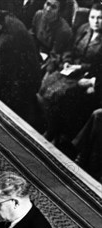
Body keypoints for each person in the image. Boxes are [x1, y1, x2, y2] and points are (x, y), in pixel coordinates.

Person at [39, 2, 102, 144]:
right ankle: (50, 126)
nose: (95, 21)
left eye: (100, 18)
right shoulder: (83, 29)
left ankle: (57, 132)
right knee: (46, 85)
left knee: (61, 94)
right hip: (70, 69)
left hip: (87, 75)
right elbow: (69, 48)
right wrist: (67, 61)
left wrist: (80, 68)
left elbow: (98, 67)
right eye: (92, 17)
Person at [0, 7, 42, 124]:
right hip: (26, 65)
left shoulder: (3, 46)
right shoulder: (6, 17)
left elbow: (6, 80)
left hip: (23, 83)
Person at [30, 0, 73, 72]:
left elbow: (54, 56)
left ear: (59, 12)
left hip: (51, 59)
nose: (48, 9)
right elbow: (33, 34)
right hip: (36, 52)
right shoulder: (38, 15)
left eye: (53, 7)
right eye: (47, 4)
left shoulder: (64, 30)